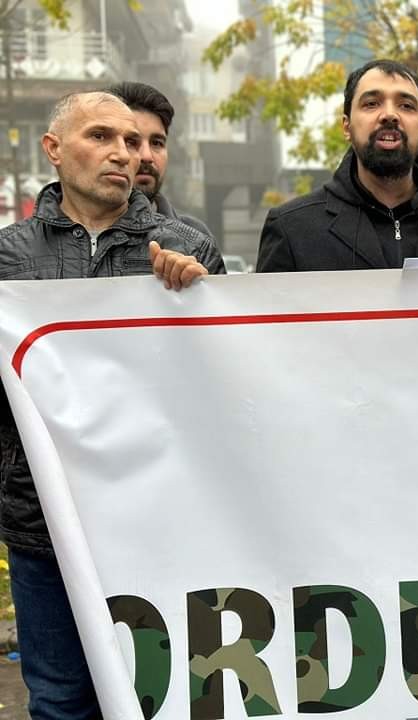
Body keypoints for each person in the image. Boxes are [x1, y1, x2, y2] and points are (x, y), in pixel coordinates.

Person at [0, 90, 224, 718]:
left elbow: (225, 384)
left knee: (163, 695)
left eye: (131, 141)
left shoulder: (188, 246)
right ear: (53, 149)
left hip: (158, 519)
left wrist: (199, 300)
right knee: (61, 701)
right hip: (45, 529)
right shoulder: (8, 256)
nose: (122, 154)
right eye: (100, 137)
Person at [256, 59, 418, 272]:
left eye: (406, 106)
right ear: (346, 127)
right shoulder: (291, 229)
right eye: (371, 103)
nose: (389, 115)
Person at [104, 81, 212, 235]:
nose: (147, 156)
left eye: (156, 143)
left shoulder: (195, 239)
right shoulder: (62, 235)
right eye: (131, 142)